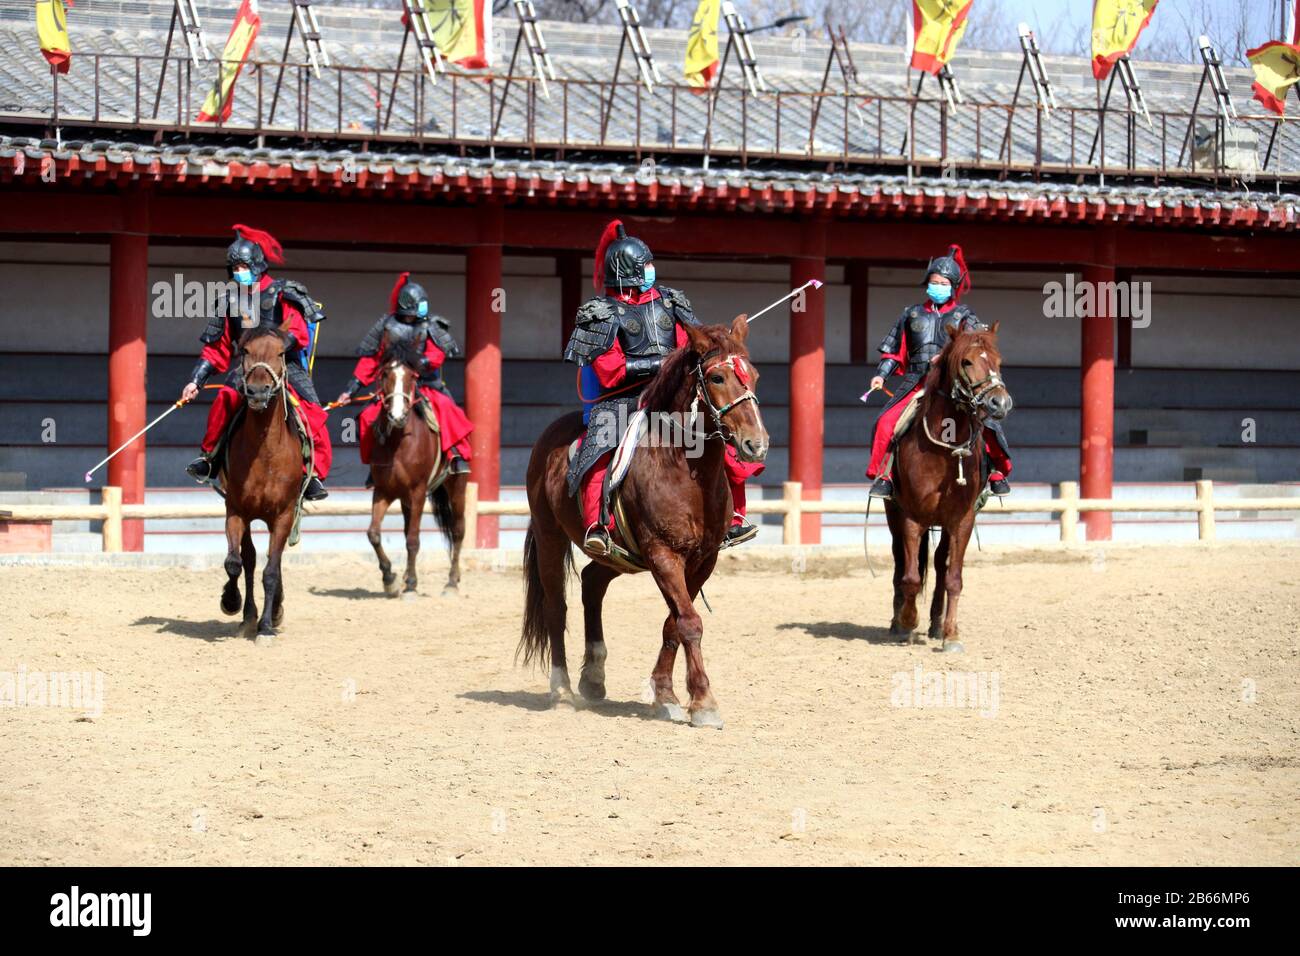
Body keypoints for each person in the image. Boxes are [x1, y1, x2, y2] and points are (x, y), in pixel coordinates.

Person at [563, 220, 762, 556]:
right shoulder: (600, 314)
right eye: (647, 265)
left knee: (719, 435)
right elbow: (610, 372)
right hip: (622, 400)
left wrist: (719, 344)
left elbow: (692, 343)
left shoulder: (671, 302)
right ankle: (599, 524)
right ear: (629, 270)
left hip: (670, 395)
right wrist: (662, 363)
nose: (653, 270)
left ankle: (734, 517)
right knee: (600, 445)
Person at [182, 224, 332, 500]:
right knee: (225, 399)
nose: (239, 272)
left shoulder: (284, 293)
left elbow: (298, 332)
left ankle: (313, 476)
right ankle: (210, 460)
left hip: (284, 366)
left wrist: (271, 349)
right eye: (234, 267)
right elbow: (217, 348)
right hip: (246, 369)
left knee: (313, 414)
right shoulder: (229, 301)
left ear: (258, 265)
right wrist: (196, 380)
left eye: (243, 266)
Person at [865, 244, 1012, 499]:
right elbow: (893, 350)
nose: (938, 286)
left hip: (952, 382)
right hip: (915, 381)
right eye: (934, 281)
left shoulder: (964, 315)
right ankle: (885, 475)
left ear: (953, 286)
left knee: (988, 422)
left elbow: (977, 346)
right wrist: (881, 374)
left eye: (944, 282)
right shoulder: (910, 314)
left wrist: (945, 356)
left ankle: (996, 472)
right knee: (886, 422)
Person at [336, 272, 473, 482]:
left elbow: (437, 354)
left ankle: (455, 455)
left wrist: (423, 362)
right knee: (367, 417)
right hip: (393, 384)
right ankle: (377, 464)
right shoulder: (386, 326)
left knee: (448, 410)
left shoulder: (430, 326)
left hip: (425, 383)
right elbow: (371, 360)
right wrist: (350, 389)